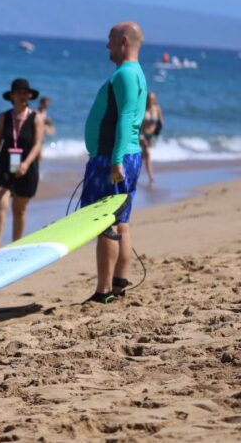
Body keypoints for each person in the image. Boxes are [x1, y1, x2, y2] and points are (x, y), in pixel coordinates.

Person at [82, 22, 147, 304]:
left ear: (123, 41)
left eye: (109, 39)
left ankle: (104, 290)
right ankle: (119, 284)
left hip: (113, 157)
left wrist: (116, 160)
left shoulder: (125, 74)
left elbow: (125, 118)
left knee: (104, 223)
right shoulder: (134, 73)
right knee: (122, 221)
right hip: (123, 155)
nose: (106, 45)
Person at [0, 78, 45, 254]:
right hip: (4, 165)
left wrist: (25, 163)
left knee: (19, 209)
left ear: (30, 96)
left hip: (27, 167)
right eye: (20, 93)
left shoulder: (36, 118)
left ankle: (16, 244)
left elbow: (38, 144)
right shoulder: (4, 117)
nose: (23, 96)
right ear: (12, 96)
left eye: (26, 93)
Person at [139, 91, 164, 183]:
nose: (150, 100)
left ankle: (134, 169)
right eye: (149, 98)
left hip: (151, 136)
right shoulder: (142, 108)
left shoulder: (157, 109)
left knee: (143, 155)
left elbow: (161, 123)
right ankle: (151, 176)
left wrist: (156, 135)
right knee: (147, 153)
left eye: (152, 99)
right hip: (141, 134)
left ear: (155, 99)